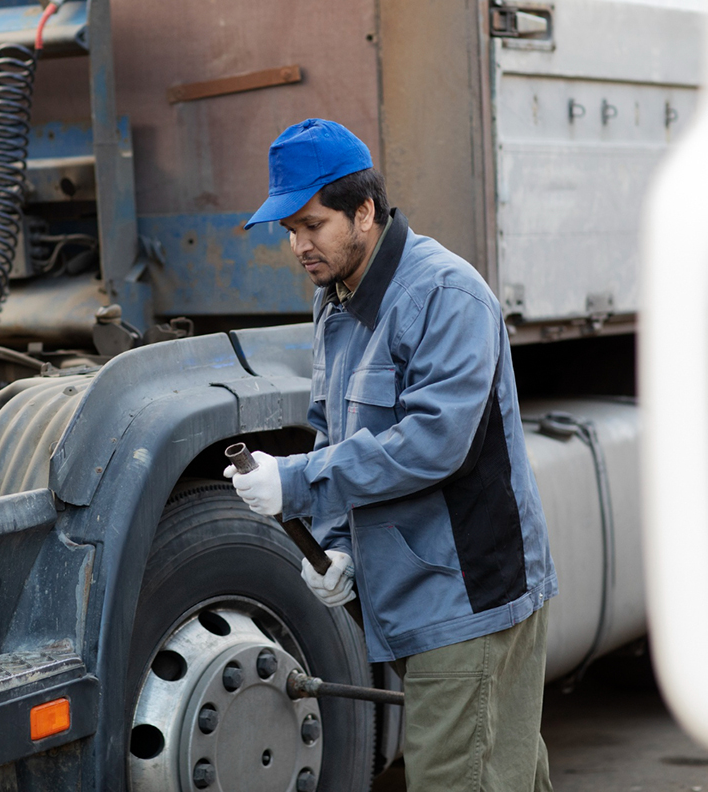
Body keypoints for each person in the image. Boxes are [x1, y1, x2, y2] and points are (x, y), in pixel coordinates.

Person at [226, 118, 558, 791]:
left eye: (311, 225)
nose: (298, 246)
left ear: (365, 210)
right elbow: (336, 431)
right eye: (288, 230)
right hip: (413, 599)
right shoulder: (337, 303)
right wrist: (339, 541)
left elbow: (434, 442)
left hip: (469, 600)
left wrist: (295, 481)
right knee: (504, 772)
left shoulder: (445, 295)